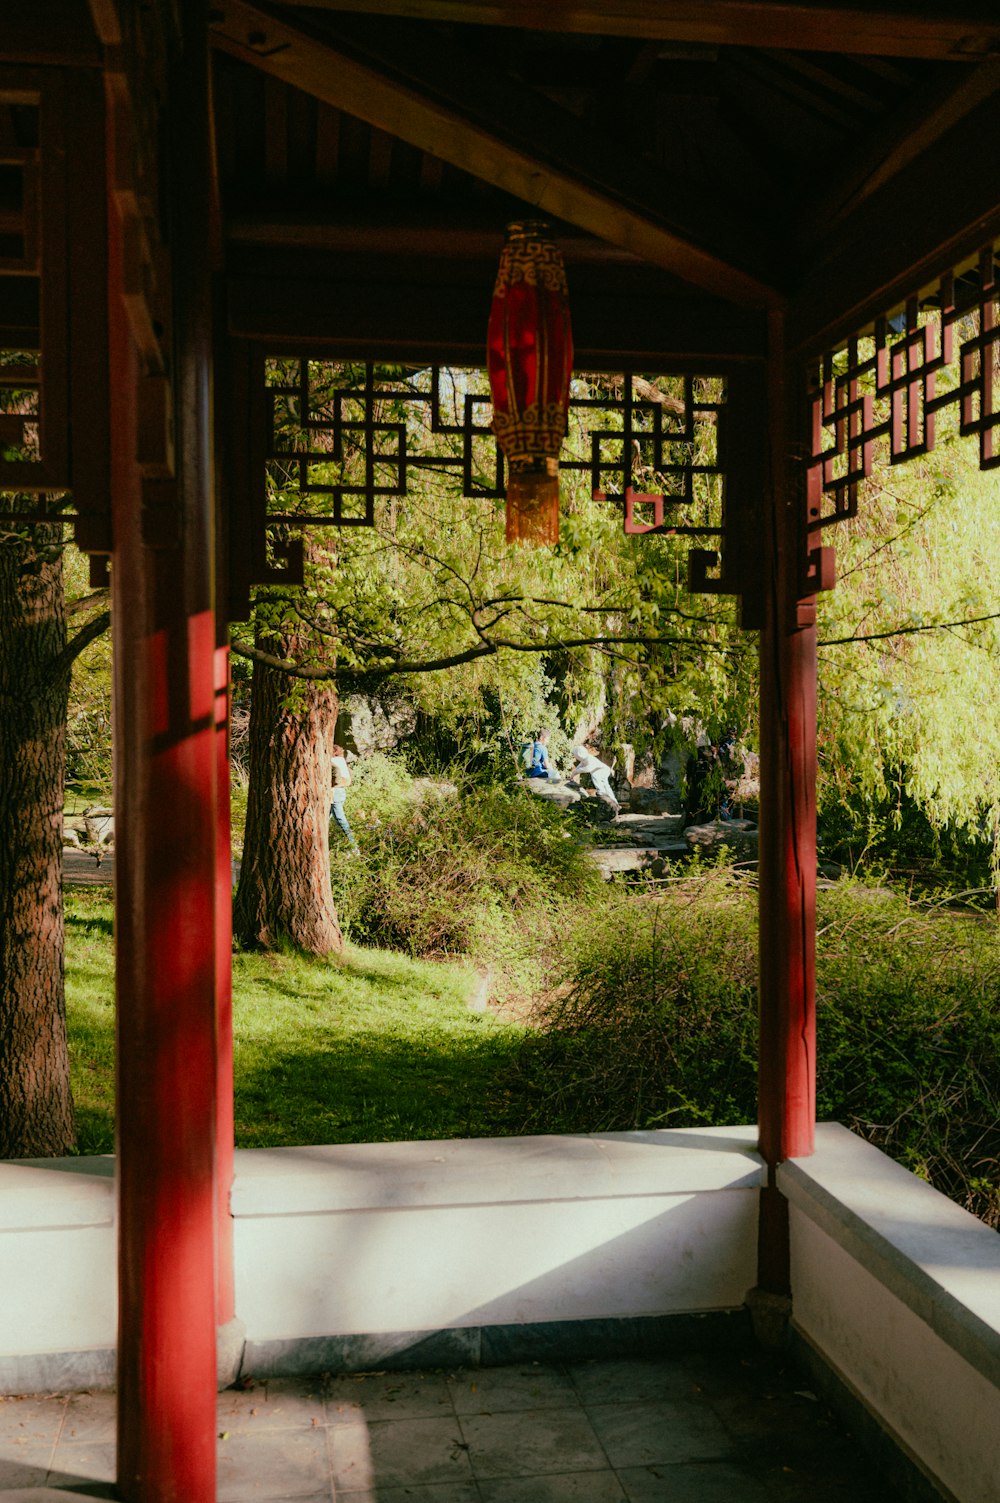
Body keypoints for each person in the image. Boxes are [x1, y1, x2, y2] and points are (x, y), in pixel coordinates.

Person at [571, 743, 621, 816]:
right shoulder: (585, 760)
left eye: (575, 754)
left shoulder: (589, 759)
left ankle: (602, 793)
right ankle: (614, 801)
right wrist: (572, 775)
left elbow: (587, 769)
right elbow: (578, 768)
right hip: (604, 770)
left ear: (579, 754)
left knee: (596, 776)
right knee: (605, 785)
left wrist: (576, 772)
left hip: (604, 770)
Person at [330, 743, 359, 852]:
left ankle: (354, 846)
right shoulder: (341, 760)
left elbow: (337, 775)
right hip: (340, 791)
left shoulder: (335, 761)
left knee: (340, 819)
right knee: (327, 817)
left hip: (335, 792)